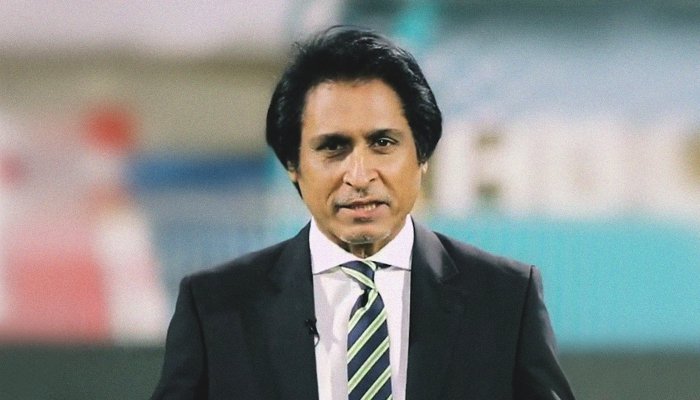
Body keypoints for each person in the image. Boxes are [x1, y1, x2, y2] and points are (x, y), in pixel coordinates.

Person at [151, 26, 575, 400]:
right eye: (333, 147)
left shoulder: (505, 300)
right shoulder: (215, 308)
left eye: (383, 143)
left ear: (422, 155)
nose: (359, 175)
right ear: (293, 164)